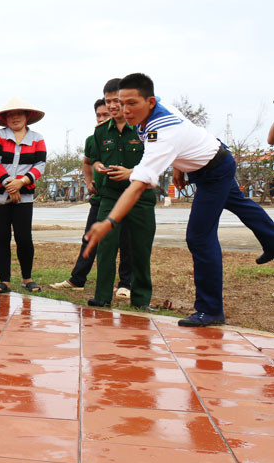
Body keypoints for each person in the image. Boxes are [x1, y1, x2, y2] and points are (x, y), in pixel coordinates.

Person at [85, 73, 274, 326]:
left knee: (199, 237)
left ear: (150, 102)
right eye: (120, 102)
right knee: (240, 204)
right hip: (211, 158)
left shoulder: (161, 133)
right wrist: (179, 167)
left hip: (214, 170)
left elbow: (138, 185)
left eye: (132, 103)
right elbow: (187, 132)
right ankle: (272, 240)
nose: (124, 109)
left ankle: (210, 309)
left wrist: (108, 222)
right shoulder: (158, 108)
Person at [50, 96, 133, 295]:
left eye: (106, 113)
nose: (102, 117)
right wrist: (88, 182)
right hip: (100, 198)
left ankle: (125, 285)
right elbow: (88, 162)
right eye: (99, 115)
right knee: (90, 238)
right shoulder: (95, 137)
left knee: (125, 241)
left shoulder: (130, 132)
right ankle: (77, 279)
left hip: (124, 196)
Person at [85, 78, 153, 309]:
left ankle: (141, 300)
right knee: (105, 246)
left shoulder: (145, 129)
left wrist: (131, 172)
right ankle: (102, 296)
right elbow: (93, 158)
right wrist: (97, 167)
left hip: (141, 196)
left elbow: (156, 162)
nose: (113, 106)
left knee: (141, 248)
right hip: (110, 196)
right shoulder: (101, 131)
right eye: (108, 101)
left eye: (116, 100)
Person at [0, 97, 47, 294]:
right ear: (5, 118)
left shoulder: (37, 138)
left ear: (26, 116)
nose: (15, 118)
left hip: (25, 195)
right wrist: (9, 184)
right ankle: (4, 280)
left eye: (19, 114)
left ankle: (27, 278)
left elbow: (40, 165)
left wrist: (21, 182)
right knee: (2, 237)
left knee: (24, 237)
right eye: (10, 114)